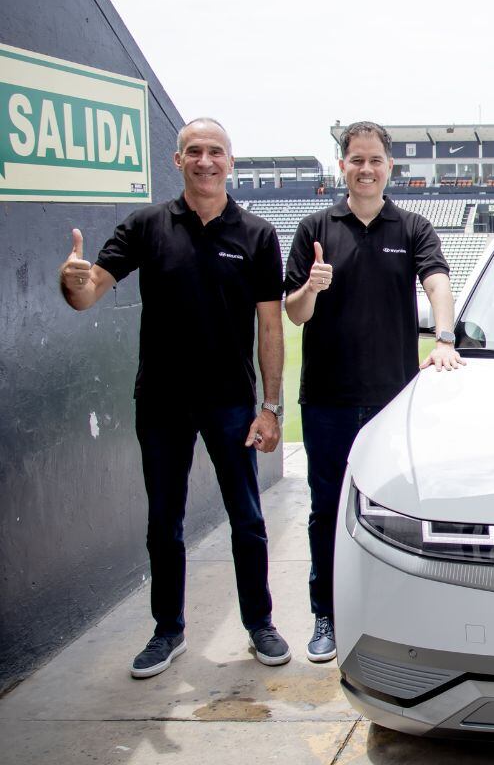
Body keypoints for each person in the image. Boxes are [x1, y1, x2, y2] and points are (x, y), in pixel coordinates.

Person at [59, 117, 291, 678]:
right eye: (194, 152)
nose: (205, 161)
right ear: (177, 160)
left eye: (216, 152)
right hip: (161, 402)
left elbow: (270, 327)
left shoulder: (257, 235)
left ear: (230, 162)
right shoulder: (145, 225)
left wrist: (272, 406)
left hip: (232, 402)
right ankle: (169, 630)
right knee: (165, 520)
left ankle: (259, 622)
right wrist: (72, 279)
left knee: (248, 518)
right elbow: (88, 295)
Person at [283, 121, 462, 663]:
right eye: (355, 160)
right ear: (343, 166)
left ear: (389, 167)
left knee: (402, 510)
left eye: (375, 160)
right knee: (325, 509)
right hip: (328, 398)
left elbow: (437, 283)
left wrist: (446, 336)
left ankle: (396, 613)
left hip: (392, 399)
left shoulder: (412, 227)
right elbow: (294, 313)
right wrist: (310, 288)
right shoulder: (315, 226)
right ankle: (326, 615)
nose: (365, 169)